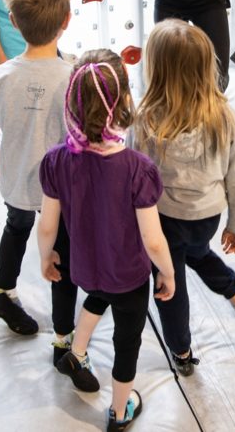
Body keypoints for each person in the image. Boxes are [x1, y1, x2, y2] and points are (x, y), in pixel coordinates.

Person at [37, 50, 175, 432]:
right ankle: (119, 410)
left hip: (84, 268)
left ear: (70, 102)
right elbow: (153, 240)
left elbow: (47, 226)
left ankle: (77, 352)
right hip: (128, 275)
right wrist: (168, 273)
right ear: (125, 101)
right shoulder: (138, 169)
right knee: (126, 341)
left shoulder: (55, 160)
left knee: (97, 297)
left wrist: (46, 257)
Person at [134, 19, 235, 375]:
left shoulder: (146, 119)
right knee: (198, 253)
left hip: (163, 220)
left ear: (156, 68)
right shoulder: (224, 114)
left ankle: (181, 351)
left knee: (169, 282)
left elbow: (136, 179)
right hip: (207, 217)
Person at [0, 0, 78, 346]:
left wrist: (8, 177)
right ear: (66, 20)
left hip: (17, 183)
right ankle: (64, 341)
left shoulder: (0, 75)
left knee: (16, 228)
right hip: (62, 192)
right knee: (62, 258)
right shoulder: (74, 77)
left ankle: (3, 292)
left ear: (13, 22)